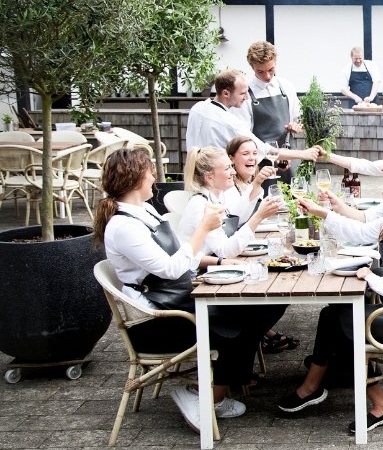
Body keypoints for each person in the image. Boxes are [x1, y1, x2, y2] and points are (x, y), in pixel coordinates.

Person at [92, 147, 284, 430]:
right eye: (149, 173)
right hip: (158, 320)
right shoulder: (123, 226)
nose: (154, 178)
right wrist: (203, 230)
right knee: (240, 324)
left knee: (258, 307)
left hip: (179, 297)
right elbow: (170, 268)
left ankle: (214, 393)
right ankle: (201, 394)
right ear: (135, 180)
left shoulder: (144, 211)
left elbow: (183, 256)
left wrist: (218, 264)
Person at [277, 162, 383, 433]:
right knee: (333, 313)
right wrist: (321, 212)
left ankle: (379, 405)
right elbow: (360, 233)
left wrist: (373, 279)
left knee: (342, 323)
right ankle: (312, 386)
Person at [225, 136, 300, 354]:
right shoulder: (230, 187)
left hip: (245, 247)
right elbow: (237, 219)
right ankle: (251, 339)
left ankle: (257, 336)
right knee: (278, 291)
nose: (251, 158)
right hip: (230, 254)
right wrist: (258, 183)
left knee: (282, 289)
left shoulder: (246, 183)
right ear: (231, 159)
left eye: (254, 154)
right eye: (245, 154)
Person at [185, 69, 319, 168]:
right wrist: (304, 154)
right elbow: (266, 150)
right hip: (217, 176)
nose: (246, 97)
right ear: (226, 93)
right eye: (242, 93)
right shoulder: (229, 122)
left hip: (194, 171)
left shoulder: (198, 108)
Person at [230, 41, 304, 185]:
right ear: (252, 67)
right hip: (261, 163)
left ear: (275, 62)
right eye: (261, 72)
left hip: (288, 157)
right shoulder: (245, 93)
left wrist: (297, 125)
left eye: (271, 69)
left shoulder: (286, 86)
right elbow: (244, 136)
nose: (268, 76)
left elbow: (299, 118)